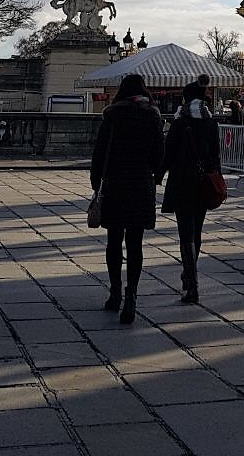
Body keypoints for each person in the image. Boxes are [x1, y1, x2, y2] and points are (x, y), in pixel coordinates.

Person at [90, 73, 164, 324]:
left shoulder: (112, 115)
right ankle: (132, 295)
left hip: (116, 183)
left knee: (114, 241)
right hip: (141, 184)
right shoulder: (152, 117)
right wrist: (152, 175)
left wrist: (96, 184)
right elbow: (158, 157)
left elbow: (100, 153)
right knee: (135, 243)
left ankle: (115, 293)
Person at [158, 80, 221, 305]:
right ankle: (189, 273)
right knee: (197, 230)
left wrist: (158, 176)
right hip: (203, 183)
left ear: (186, 98)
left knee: (185, 232)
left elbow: (168, 154)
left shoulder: (180, 122)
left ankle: (191, 283)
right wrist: (217, 178)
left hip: (182, 183)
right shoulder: (211, 123)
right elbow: (216, 155)